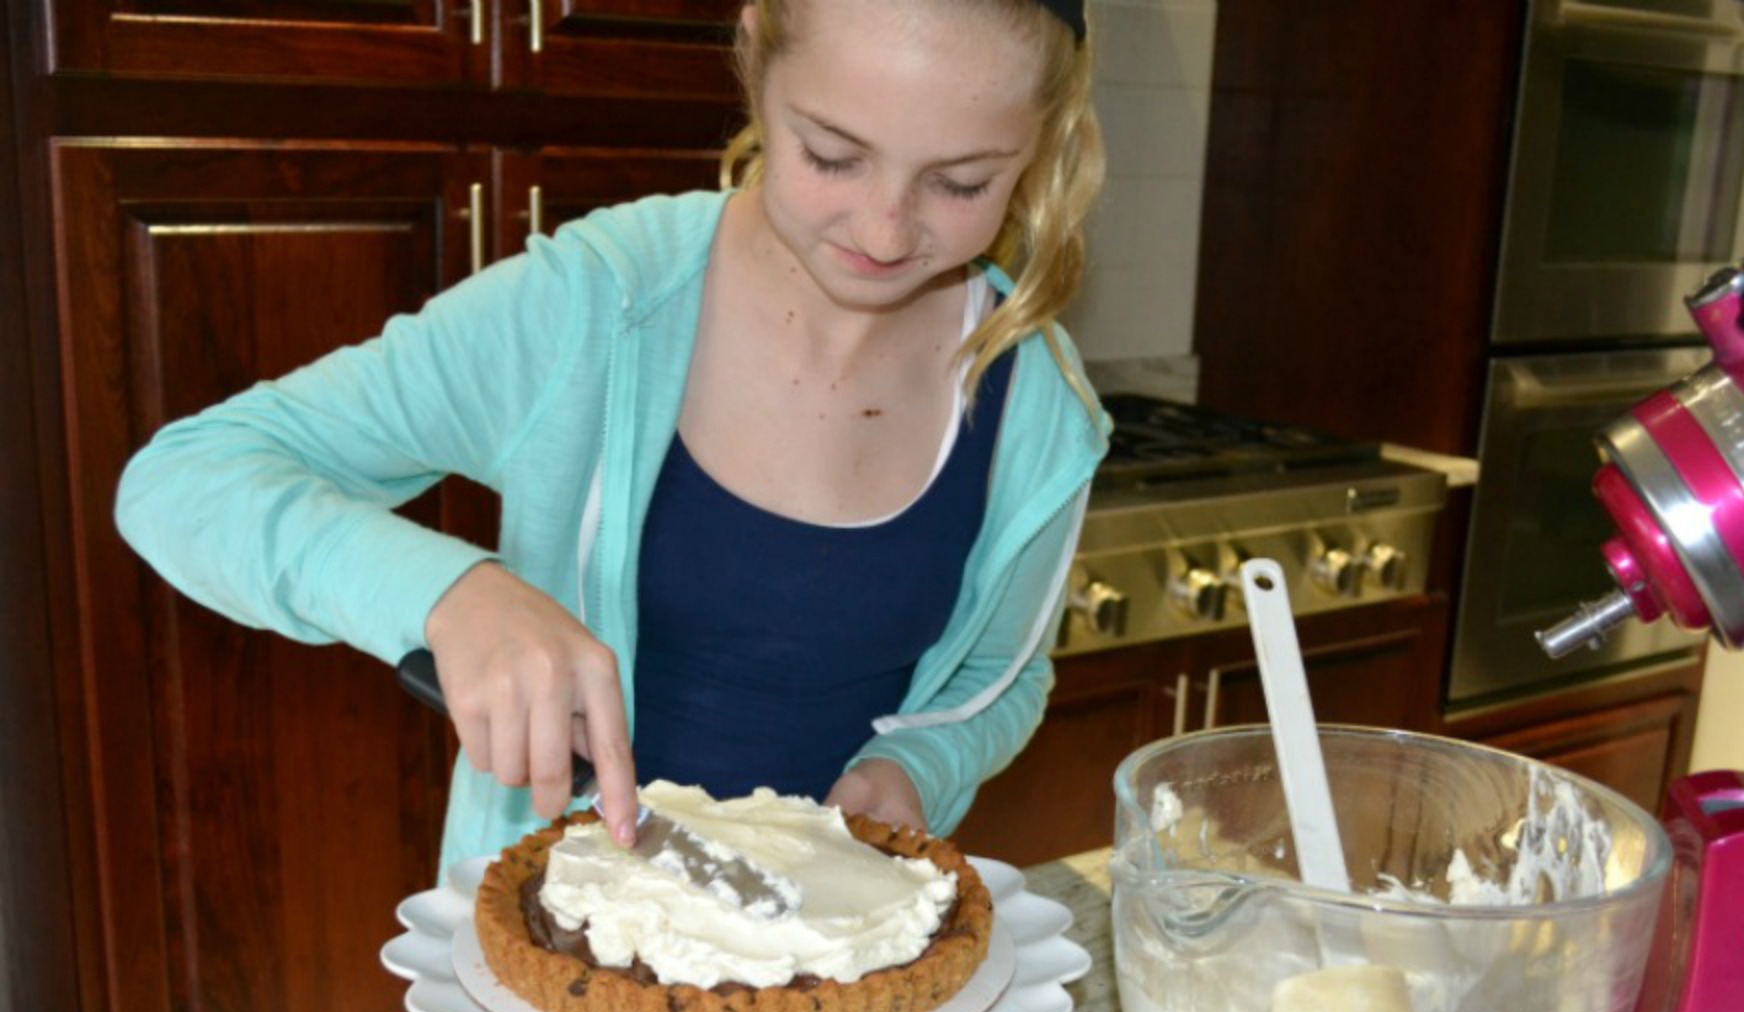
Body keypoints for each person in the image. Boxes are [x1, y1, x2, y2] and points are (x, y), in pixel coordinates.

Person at [115, 0, 1108, 870]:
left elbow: (998, 676)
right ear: (757, 59)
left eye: (962, 183)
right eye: (833, 154)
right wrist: (449, 593)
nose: (886, 231)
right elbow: (185, 478)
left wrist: (917, 765)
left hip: (839, 981)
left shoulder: (1040, 406)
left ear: (1041, 145)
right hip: (555, 962)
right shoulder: (595, 305)